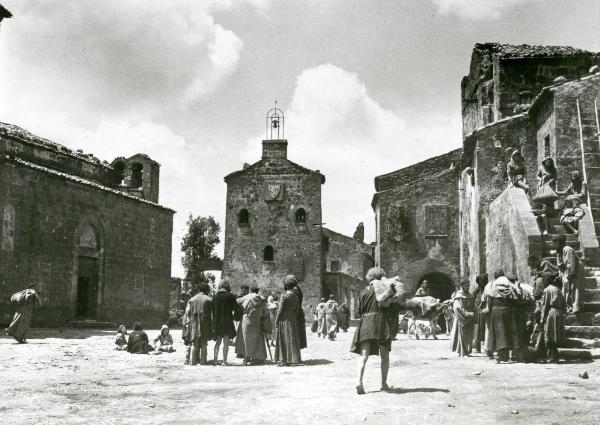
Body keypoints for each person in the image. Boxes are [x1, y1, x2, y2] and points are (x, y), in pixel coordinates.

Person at [351, 267, 395, 395]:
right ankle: (383, 383)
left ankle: (359, 381)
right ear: (381, 277)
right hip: (381, 323)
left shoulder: (364, 291)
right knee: (385, 356)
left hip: (366, 323)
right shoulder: (382, 289)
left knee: (363, 356)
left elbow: (360, 311)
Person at [489, 270, 521, 362]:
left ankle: (500, 356)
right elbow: (518, 297)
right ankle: (510, 355)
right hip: (508, 311)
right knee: (509, 333)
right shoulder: (511, 288)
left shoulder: (493, 288)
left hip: (496, 311)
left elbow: (489, 301)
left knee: (499, 334)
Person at [236, 286, 272, 365]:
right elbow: (265, 312)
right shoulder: (262, 300)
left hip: (246, 320)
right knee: (258, 340)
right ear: (257, 291)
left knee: (245, 341)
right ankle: (258, 358)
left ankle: (246, 359)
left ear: (250, 290)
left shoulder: (246, 297)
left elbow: (236, 302)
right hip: (257, 321)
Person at [274, 278, 302, 366]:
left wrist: (277, 319)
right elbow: (297, 309)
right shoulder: (295, 295)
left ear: (285, 286)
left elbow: (280, 309)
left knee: (283, 337)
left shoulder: (284, 295)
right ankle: (293, 358)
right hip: (292, 316)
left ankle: (284, 360)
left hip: (284, 317)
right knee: (292, 337)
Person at [184, 283, 213, 365]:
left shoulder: (192, 299)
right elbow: (212, 314)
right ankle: (203, 361)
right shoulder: (209, 299)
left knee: (194, 343)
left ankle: (192, 361)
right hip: (205, 323)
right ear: (207, 290)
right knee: (204, 343)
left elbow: (187, 312)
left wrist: (188, 323)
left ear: (199, 290)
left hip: (194, 323)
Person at [554, 234, 585, 313]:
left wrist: (567, 277)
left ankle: (576, 307)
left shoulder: (567, 249)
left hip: (575, 271)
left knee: (575, 288)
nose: (555, 245)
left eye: (556, 243)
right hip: (569, 272)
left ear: (560, 242)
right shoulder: (560, 252)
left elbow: (570, 264)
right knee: (566, 288)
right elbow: (560, 266)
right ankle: (568, 307)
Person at [211, 280, 237, 366]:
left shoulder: (215, 297)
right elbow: (235, 308)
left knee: (217, 342)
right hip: (227, 321)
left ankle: (215, 360)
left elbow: (212, 310)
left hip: (217, 322)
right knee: (226, 342)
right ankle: (224, 361)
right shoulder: (231, 296)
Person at [541, 274, 566, 363]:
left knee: (549, 334)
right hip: (560, 312)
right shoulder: (558, 290)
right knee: (555, 334)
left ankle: (552, 357)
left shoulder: (547, 290)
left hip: (551, 313)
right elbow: (564, 303)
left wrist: (542, 318)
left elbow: (545, 305)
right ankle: (554, 356)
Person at [451, 280, 475, 357]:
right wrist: (466, 314)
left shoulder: (470, 295)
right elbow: (457, 307)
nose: (468, 287)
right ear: (462, 286)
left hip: (470, 317)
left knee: (469, 334)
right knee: (462, 334)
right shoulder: (458, 296)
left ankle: (467, 351)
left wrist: (475, 312)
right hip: (461, 317)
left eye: (468, 285)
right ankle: (462, 351)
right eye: (466, 285)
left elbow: (473, 306)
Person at [288, 275, 307, 351]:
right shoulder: (298, 291)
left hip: (294, 313)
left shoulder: (293, 292)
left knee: (294, 333)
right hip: (299, 313)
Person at [472, 274, 488, 353]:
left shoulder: (487, 289)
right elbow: (472, 300)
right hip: (478, 312)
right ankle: (477, 346)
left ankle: (487, 346)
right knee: (478, 329)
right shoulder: (476, 291)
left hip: (486, 311)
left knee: (486, 329)